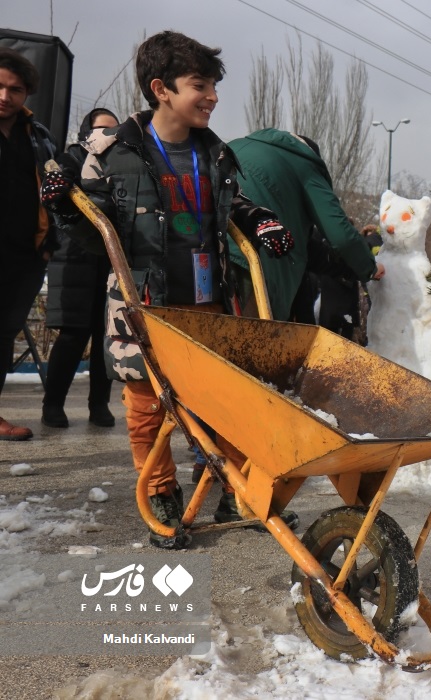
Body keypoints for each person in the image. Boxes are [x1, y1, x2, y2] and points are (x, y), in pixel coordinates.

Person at [40, 31, 297, 549]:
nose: (212, 96)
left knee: (222, 400)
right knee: (146, 403)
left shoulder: (215, 153)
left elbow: (233, 202)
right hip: (144, 302)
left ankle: (229, 484)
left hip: (209, 298)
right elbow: (86, 218)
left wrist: (261, 220)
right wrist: (62, 200)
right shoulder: (115, 150)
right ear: (161, 88)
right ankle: (160, 491)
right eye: (199, 85)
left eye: (213, 86)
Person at [227, 128, 383, 321]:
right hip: (248, 262)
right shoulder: (304, 164)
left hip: (201, 251)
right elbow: (341, 235)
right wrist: (370, 267)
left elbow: (310, 250)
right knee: (246, 341)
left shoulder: (236, 145)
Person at [40, 108, 119, 429]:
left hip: (110, 256)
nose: (106, 135)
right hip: (75, 256)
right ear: (87, 131)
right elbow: (59, 177)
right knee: (72, 334)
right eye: (100, 129)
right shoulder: (73, 156)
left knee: (108, 335)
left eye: (113, 130)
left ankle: (99, 405)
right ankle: (52, 404)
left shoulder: (123, 161)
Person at [0, 48, 58, 441]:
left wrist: (50, 242)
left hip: (23, 254)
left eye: (15, 89)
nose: (5, 95)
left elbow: (55, 194)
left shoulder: (38, 136)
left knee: (3, 335)